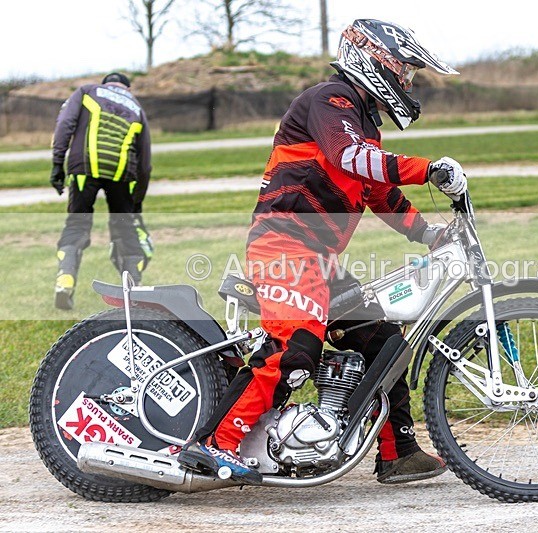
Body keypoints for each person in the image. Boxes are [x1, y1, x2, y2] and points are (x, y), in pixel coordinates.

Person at [179, 19, 467, 485]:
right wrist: (427, 169)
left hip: (317, 258)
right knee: (296, 346)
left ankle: (398, 452)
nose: (408, 83)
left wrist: (429, 234)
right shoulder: (330, 100)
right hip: (285, 243)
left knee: (383, 342)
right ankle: (216, 445)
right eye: (404, 71)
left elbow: (378, 192)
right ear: (375, 62)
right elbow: (348, 157)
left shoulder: (361, 121)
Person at [51, 72, 152, 310]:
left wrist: (57, 163)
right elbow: (145, 161)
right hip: (123, 173)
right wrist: (137, 201)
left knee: (77, 224)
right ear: (127, 88)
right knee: (125, 230)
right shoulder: (136, 106)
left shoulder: (87, 91)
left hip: (84, 167)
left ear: (105, 84)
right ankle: (133, 291)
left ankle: (65, 280)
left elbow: (65, 124)